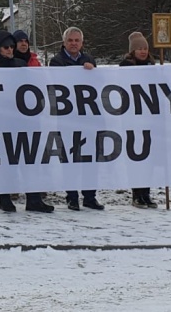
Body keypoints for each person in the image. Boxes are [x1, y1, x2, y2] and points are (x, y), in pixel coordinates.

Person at [0, 30, 54, 213]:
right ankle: (5, 198)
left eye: (11, 47)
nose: (9, 50)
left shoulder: (21, 65)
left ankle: (33, 199)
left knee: (29, 162)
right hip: (2, 125)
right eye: (6, 47)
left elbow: (32, 94)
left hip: (25, 123)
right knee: (6, 164)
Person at [49, 26, 103, 211]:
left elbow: (98, 86)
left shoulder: (89, 60)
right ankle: (71, 197)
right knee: (69, 159)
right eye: (70, 40)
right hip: (66, 120)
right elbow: (58, 84)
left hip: (88, 119)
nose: (73, 44)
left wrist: (92, 71)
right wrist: (79, 70)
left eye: (76, 40)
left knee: (90, 159)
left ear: (82, 42)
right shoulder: (56, 62)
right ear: (64, 42)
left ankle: (89, 196)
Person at [119, 32, 158, 209]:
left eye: (145, 48)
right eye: (139, 48)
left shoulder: (153, 66)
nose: (142, 51)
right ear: (132, 51)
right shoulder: (125, 66)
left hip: (149, 119)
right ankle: (136, 194)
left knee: (149, 158)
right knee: (136, 156)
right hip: (132, 119)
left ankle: (146, 193)